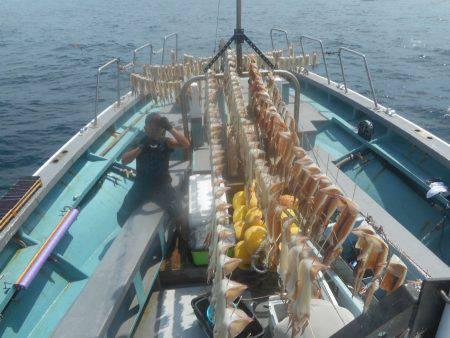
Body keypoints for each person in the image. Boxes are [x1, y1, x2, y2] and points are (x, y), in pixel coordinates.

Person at [117, 112, 190, 226]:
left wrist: (170, 128)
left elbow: (185, 144)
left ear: (162, 130)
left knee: (179, 214)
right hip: (140, 186)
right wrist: (141, 147)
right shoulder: (139, 143)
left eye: (157, 129)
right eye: (151, 130)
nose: (154, 132)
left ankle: (183, 235)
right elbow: (124, 160)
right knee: (122, 214)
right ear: (145, 129)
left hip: (162, 186)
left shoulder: (166, 142)